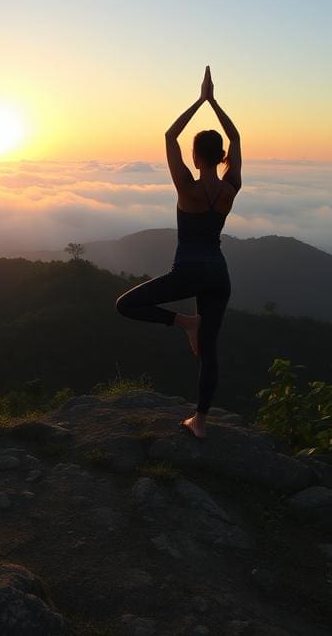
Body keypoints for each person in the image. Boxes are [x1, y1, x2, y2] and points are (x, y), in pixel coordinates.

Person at [115, 66, 241, 439]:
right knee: (210, 351)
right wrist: (215, 103)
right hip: (219, 274)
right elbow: (236, 135)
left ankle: (184, 323)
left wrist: (200, 99)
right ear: (221, 157)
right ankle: (200, 422)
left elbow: (170, 134)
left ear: (195, 157)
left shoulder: (187, 187)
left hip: (188, 272)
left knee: (125, 304)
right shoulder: (231, 187)